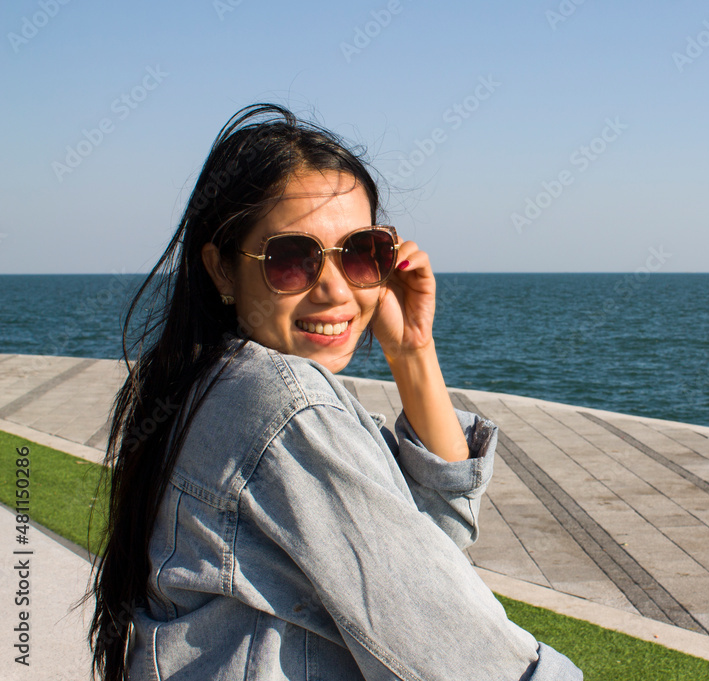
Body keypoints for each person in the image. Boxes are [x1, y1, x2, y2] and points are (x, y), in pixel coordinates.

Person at [89, 103, 583, 680]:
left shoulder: (206, 382)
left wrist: (412, 350)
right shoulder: (283, 404)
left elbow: (432, 540)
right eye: (292, 260)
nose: (333, 290)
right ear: (222, 269)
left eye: (360, 253)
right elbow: (468, 655)